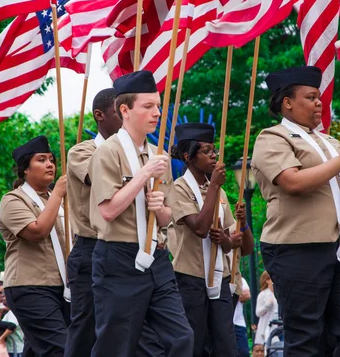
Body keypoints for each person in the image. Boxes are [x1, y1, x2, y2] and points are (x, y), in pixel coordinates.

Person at [252, 65, 340, 356]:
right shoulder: (272, 137)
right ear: (288, 103)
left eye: (320, 97)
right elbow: (292, 182)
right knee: (306, 337)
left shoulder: (330, 142)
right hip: (297, 247)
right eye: (310, 97)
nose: (319, 103)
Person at [88, 70, 193, 356]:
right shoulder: (107, 152)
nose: (157, 112)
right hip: (118, 258)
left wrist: (160, 209)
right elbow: (108, 210)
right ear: (124, 110)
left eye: (158, 105)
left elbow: (167, 216)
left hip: (156, 256)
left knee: (181, 337)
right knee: (116, 345)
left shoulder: (158, 155)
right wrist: (143, 175)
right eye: (148, 106)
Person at [168, 122, 244, 356]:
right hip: (191, 278)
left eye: (215, 151)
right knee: (196, 343)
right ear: (188, 156)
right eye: (206, 151)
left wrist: (224, 239)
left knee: (225, 345)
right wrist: (213, 187)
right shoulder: (179, 189)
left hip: (220, 276)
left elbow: (233, 240)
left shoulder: (218, 192)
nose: (213, 156)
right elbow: (200, 227)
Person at [0, 136, 71, 356]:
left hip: (63, 286)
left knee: (38, 350)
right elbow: (38, 231)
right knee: (62, 349)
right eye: (41, 160)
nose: (50, 164)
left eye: (52, 159)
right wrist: (58, 193)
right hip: (30, 286)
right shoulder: (13, 200)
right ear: (25, 169)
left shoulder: (62, 200)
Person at [64, 88, 122, 357]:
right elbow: (104, 182)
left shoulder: (138, 153)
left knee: (124, 327)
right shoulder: (82, 151)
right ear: (100, 115)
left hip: (125, 249)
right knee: (86, 327)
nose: (126, 118)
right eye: (119, 112)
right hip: (90, 247)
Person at [255, 271, 278, 348]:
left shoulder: (277, 294)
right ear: (267, 280)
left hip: (278, 328)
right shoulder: (263, 294)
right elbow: (258, 313)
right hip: (265, 329)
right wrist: (267, 305)